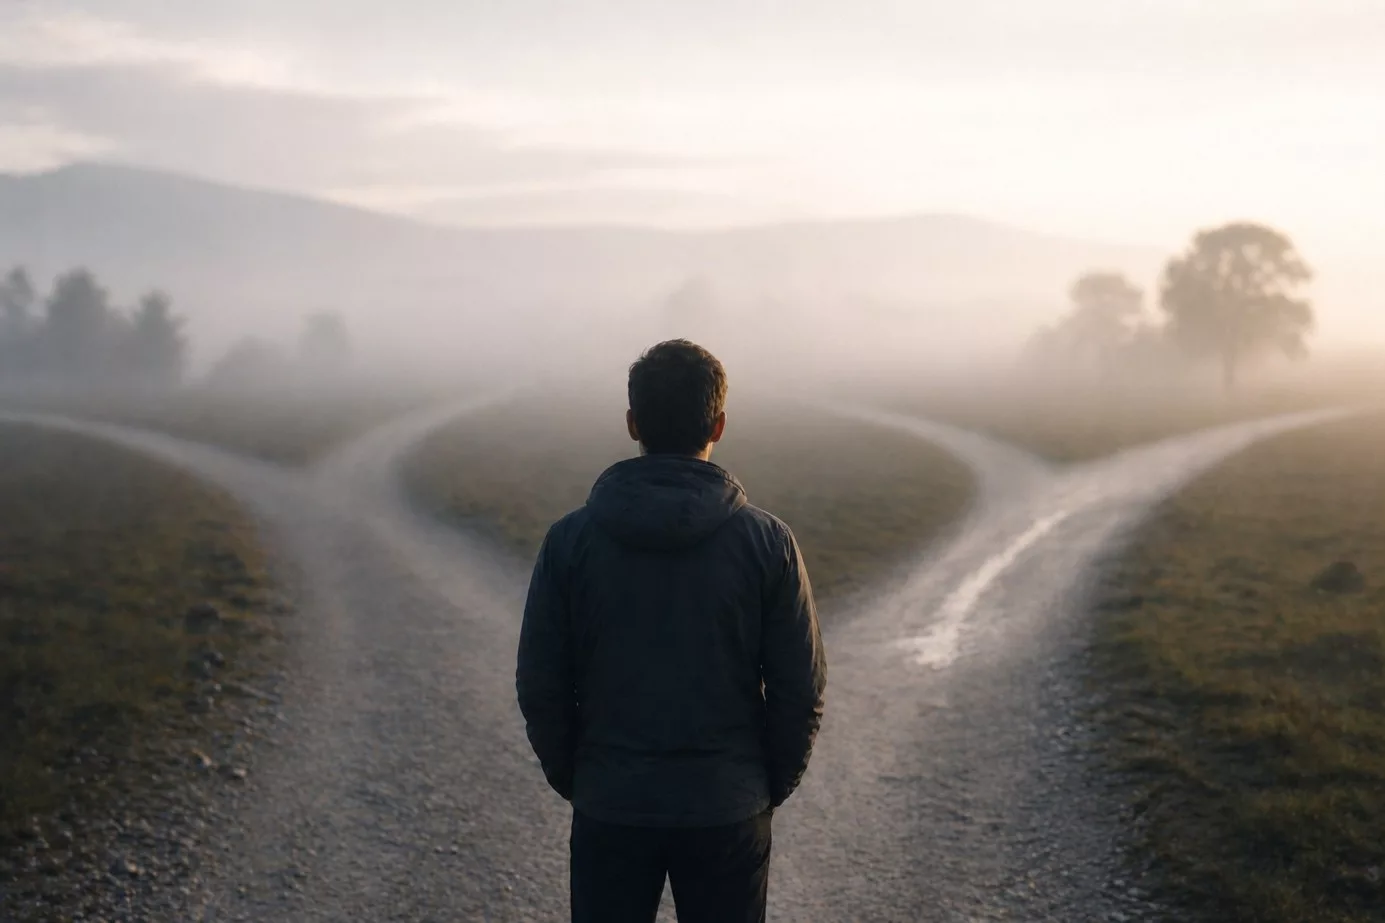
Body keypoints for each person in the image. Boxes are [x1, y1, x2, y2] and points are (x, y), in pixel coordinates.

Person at [516, 339, 827, 923]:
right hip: (727, 806)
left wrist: (580, 778)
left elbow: (541, 683)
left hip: (611, 802)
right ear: (719, 425)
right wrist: (761, 785)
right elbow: (800, 688)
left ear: (633, 422)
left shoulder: (569, 542)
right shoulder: (769, 544)